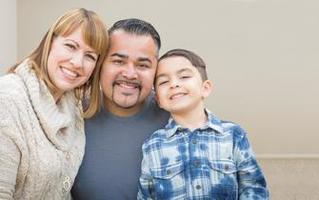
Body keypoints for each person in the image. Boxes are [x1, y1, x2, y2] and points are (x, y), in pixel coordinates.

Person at [0, 8, 108, 199]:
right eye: (71, 46)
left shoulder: (72, 106)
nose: (77, 62)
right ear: (50, 42)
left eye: (90, 56)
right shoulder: (8, 99)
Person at [138, 49, 268, 199]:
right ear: (158, 100)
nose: (174, 84)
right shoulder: (153, 144)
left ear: (205, 88)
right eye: (164, 81)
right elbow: (146, 195)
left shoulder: (233, 135)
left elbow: (254, 187)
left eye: (184, 76)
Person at [71, 18, 170, 199]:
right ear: (100, 64)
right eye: (118, 61)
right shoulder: (72, 115)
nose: (130, 74)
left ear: (156, 71)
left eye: (142, 65)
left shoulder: (175, 121)